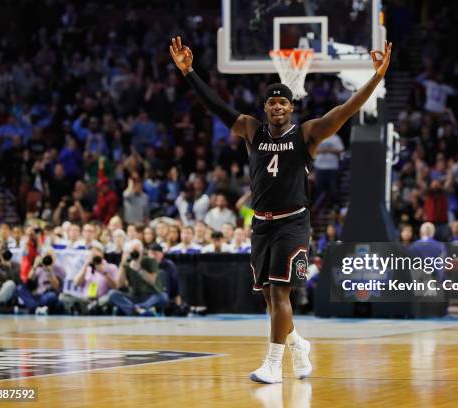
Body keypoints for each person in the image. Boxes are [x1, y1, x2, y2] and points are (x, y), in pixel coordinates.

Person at [169, 36, 392, 383]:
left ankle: (274, 363)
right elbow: (216, 106)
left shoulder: (308, 134)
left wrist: (376, 78)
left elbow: (345, 110)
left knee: (279, 292)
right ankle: (298, 344)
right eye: (271, 102)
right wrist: (189, 73)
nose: (276, 107)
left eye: (282, 103)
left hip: (292, 223)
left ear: (291, 108)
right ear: (265, 108)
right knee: (270, 300)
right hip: (261, 225)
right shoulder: (250, 130)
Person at [108, 239, 168, 316]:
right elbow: (119, 285)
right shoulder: (127, 263)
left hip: (150, 295)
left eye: (138, 251)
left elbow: (152, 281)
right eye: (133, 251)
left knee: (163, 296)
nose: (135, 254)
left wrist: (140, 269)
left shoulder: (150, 261)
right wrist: (122, 265)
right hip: (133, 296)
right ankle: (136, 310)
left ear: (142, 251)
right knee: (112, 294)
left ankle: (139, 308)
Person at [59, 246, 118, 314]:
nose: (94, 258)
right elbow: (77, 283)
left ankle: (91, 307)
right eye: (92, 255)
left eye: (96, 255)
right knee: (62, 296)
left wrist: (104, 273)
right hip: (85, 299)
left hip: (101, 299)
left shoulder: (111, 267)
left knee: (112, 295)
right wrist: (86, 265)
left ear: (102, 255)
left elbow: (115, 286)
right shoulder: (87, 268)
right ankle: (87, 307)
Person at [17, 249, 66, 314]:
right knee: (20, 288)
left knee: (52, 296)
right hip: (36, 295)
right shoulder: (39, 268)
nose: (48, 259)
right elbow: (29, 281)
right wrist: (34, 266)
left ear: (54, 258)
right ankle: (37, 308)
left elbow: (56, 287)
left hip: (47, 294)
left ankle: (34, 307)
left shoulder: (59, 269)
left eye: (50, 256)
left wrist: (50, 271)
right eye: (46, 256)